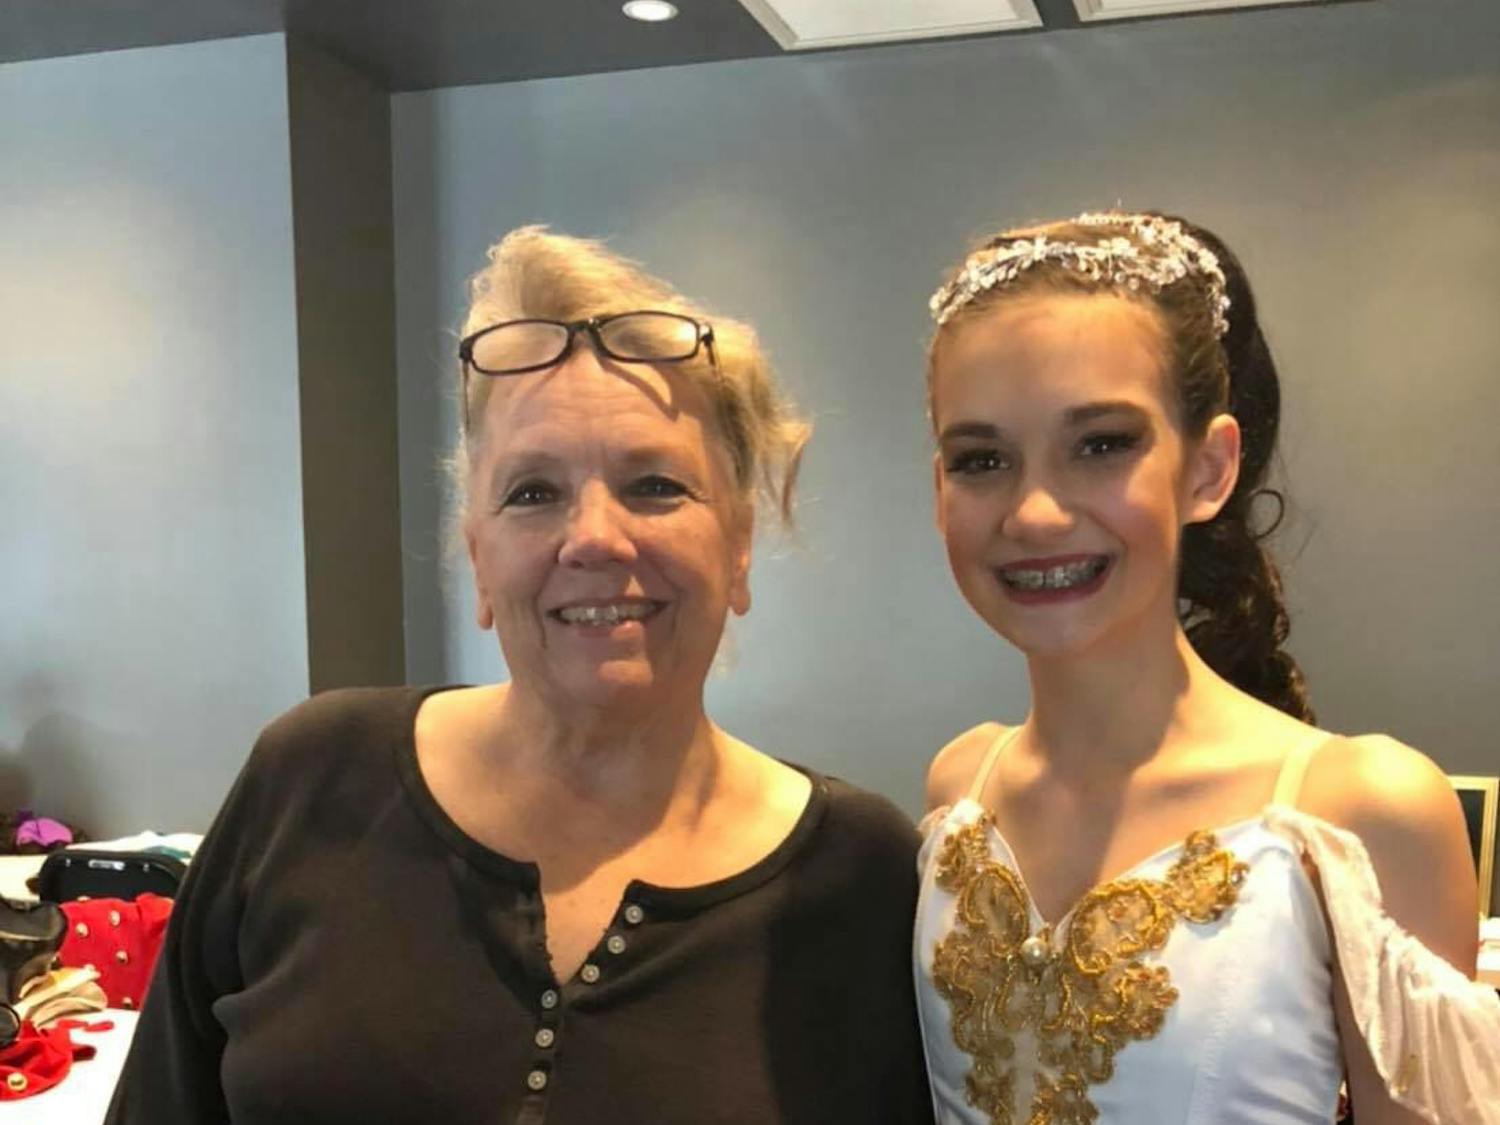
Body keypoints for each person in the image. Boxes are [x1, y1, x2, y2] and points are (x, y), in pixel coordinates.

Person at [106, 227, 934, 1123]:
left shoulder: (862, 877)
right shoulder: (309, 780)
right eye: (532, 492)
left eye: (654, 484)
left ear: (739, 547)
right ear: (478, 556)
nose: (594, 539)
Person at [913, 211, 1500, 1124]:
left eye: (1101, 443)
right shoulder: (960, 787)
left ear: (1210, 466)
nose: (1032, 513)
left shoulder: (1357, 813)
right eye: (981, 458)